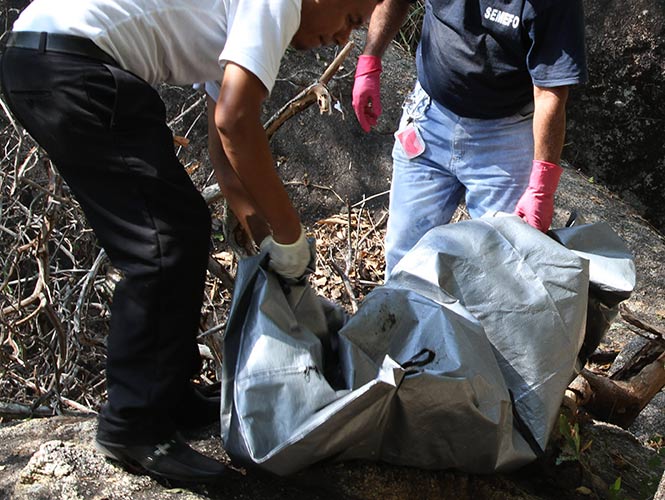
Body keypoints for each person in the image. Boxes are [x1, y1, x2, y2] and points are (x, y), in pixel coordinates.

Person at [0, 0, 379, 482]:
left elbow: (223, 152)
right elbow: (236, 123)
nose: (342, 37)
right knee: (162, 241)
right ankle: (134, 427)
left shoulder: (245, 22)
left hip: (43, 57)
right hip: (70, 61)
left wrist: (262, 237)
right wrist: (292, 235)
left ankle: (170, 397)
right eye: (349, 19)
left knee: (182, 225)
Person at [352, 0, 588, 277]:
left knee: (501, 270)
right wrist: (370, 61)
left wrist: (541, 188)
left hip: (505, 138)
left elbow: (550, 91)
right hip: (428, 119)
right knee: (403, 255)